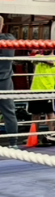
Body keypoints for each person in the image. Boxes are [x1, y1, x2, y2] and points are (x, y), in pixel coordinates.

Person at [0, 14, 19, 143]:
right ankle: (13, 144)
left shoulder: (8, 39)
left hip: (5, 80)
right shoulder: (9, 39)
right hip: (5, 81)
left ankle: (13, 143)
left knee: (9, 114)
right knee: (9, 114)